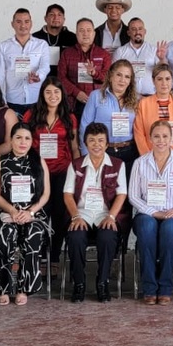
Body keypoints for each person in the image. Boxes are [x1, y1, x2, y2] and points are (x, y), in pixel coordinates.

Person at [129, 120, 173, 304]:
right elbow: (133, 196)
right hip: (147, 214)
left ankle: (165, 287)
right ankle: (150, 288)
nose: (161, 140)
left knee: (169, 228)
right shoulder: (140, 163)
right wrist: (154, 212)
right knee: (147, 227)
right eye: (157, 136)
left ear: (171, 138)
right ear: (150, 139)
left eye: (165, 136)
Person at [62, 123, 129, 303]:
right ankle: (79, 283)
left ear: (107, 144)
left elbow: (122, 194)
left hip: (105, 213)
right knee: (75, 237)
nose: (96, 144)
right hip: (81, 213)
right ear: (85, 143)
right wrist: (75, 216)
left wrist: (111, 217)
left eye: (100, 140)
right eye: (91, 140)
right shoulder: (76, 165)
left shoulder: (118, 165)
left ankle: (102, 282)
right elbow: (67, 194)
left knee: (107, 236)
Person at [0, 123, 52, 306]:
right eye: (18, 138)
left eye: (27, 138)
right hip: (8, 212)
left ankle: (25, 288)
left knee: (33, 234)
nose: (23, 142)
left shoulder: (39, 161)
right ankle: (4, 288)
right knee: (5, 234)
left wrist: (30, 212)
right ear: (11, 140)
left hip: (33, 214)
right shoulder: (0, 161)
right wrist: (12, 211)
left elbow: (46, 194)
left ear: (32, 141)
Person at [21, 77, 80, 268]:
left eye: (56, 92)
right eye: (48, 92)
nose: (52, 96)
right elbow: (24, 143)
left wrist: (77, 173)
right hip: (38, 171)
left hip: (63, 171)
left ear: (62, 94)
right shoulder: (31, 115)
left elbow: (74, 147)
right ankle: (41, 255)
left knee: (60, 215)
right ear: (42, 94)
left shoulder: (69, 118)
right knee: (41, 213)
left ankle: (54, 257)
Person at [80, 60, 141, 169]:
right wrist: (86, 154)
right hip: (103, 151)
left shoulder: (137, 99)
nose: (122, 80)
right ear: (110, 76)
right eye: (119, 75)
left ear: (130, 81)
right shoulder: (96, 96)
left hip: (130, 152)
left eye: (127, 77)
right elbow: (85, 126)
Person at [0, 8, 50, 116]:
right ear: (12, 24)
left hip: (36, 100)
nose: (23, 25)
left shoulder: (42, 45)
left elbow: (45, 66)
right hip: (12, 101)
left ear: (31, 23)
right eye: (18, 22)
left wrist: (38, 76)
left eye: (26, 21)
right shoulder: (4, 46)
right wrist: (1, 100)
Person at [58, 18, 109, 121]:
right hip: (73, 102)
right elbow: (61, 77)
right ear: (76, 34)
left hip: (98, 102)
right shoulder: (67, 54)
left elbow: (109, 78)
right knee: (75, 128)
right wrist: (76, 92)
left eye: (89, 30)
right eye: (81, 30)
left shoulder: (103, 54)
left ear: (94, 34)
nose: (85, 34)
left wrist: (95, 73)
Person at [134, 64, 173, 155]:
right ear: (153, 81)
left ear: (172, 80)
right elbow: (139, 133)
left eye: (167, 79)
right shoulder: (143, 103)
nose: (164, 83)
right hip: (150, 156)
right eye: (159, 79)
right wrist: (148, 157)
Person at [113, 17, 158, 96]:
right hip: (127, 97)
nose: (137, 32)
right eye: (133, 29)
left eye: (140, 29)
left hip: (150, 96)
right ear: (128, 33)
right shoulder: (120, 52)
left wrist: (162, 58)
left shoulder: (154, 50)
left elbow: (162, 72)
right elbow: (113, 75)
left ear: (145, 31)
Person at [34, 3, 77, 77]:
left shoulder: (73, 38)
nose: (56, 18)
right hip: (40, 80)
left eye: (59, 15)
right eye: (52, 15)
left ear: (64, 19)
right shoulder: (35, 38)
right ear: (45, 18)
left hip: (65, 80)